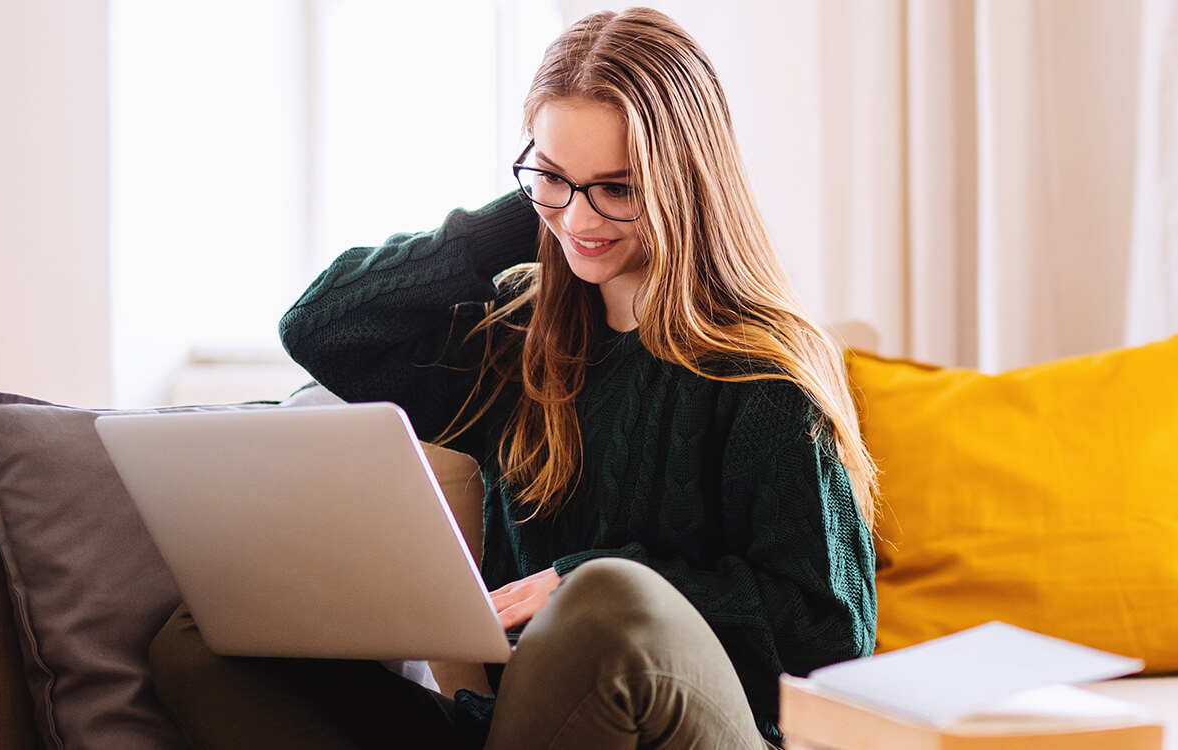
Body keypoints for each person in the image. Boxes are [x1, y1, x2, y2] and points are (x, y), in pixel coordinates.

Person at [148, 7, 878, 749]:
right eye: (553, 178)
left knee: (606, 603)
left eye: (617, 189)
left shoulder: (764, 372)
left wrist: (585, 578)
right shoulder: (519, 342)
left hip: (692, 731)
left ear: (683, 184)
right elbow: (321, 326)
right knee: (204, 639)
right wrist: (526, 214)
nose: (579, 218)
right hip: (514, 731)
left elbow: (832, 634)